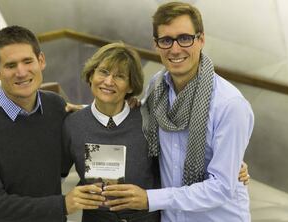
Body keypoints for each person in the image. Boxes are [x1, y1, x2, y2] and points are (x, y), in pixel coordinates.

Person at [102, 2, 254, 222]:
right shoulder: (157, 87)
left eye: (185, 38)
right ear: (156, 44)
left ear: (201, 39)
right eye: (166, 40)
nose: (175, 49)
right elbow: (134, 116)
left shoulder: (230, 105)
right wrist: (82, 110)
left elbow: (221, 187)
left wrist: (149, 199)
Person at [0, 25, 104, 222]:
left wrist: (121, 107)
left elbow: (64, 163)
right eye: (11, 65)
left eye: (28, 61)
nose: (21, 72)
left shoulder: (56, 105)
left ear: (41, 60)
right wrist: (63, 205)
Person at [62, 42, 161, 222]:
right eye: (103, 72)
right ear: (91, 75)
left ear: (130, 86)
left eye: (120, 76)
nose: (109, 81)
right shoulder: (72, 124)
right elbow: (56, 177)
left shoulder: (149, 121)